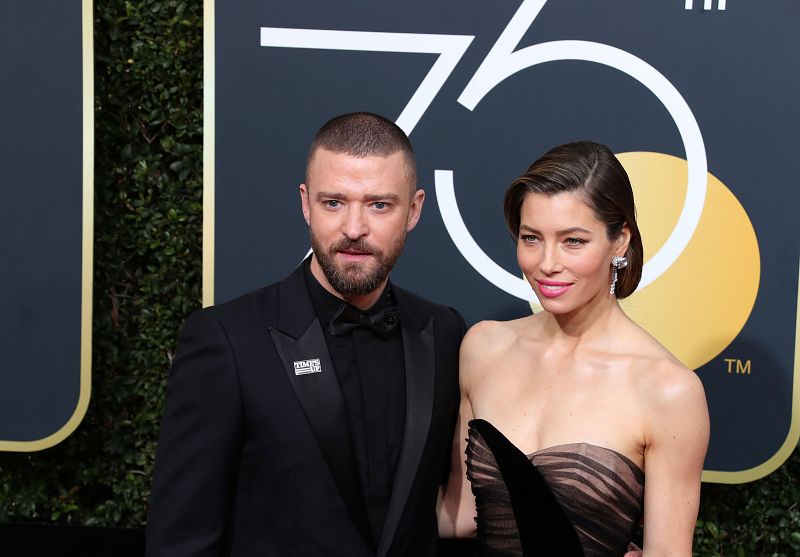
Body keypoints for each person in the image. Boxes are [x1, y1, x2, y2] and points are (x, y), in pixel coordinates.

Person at [146, 112, 466, 557]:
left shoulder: (444, 332)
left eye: (379, 205)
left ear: (413, 210)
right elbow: (182, 539)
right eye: (333, 202)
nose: (353, 229)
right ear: (305, 203)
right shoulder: (227, 341)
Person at [438, 141, 709, 556]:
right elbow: (460, 516)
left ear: (620, 241)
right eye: (531, 238)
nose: (547, 263)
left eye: (573, 241)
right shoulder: (483, 347)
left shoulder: (668, 391)